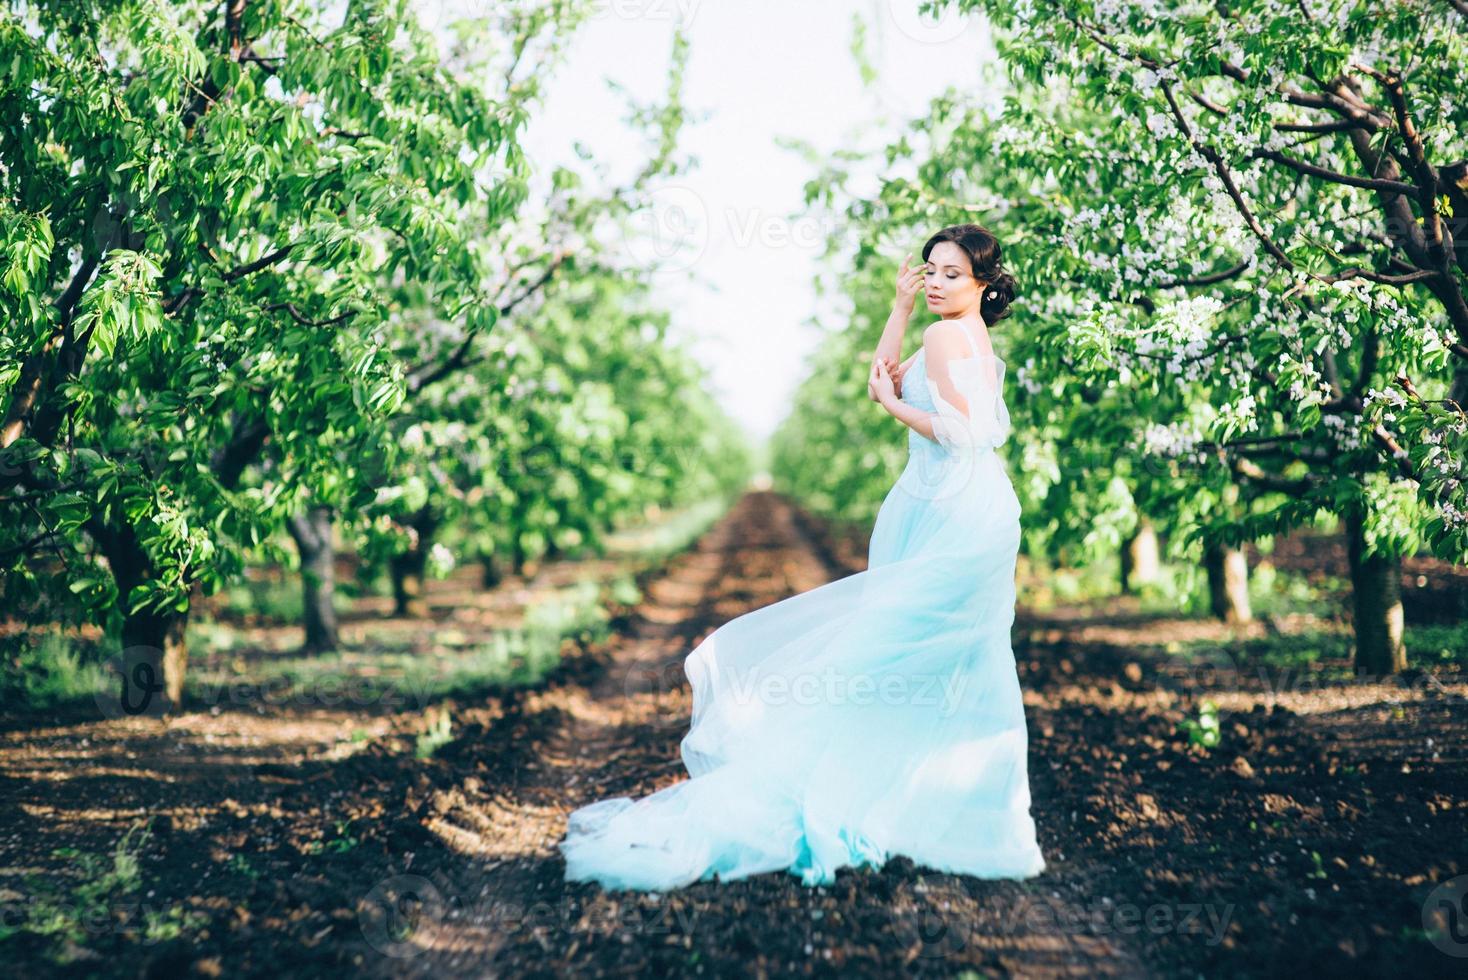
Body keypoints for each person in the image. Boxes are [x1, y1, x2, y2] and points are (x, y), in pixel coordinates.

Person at [558, 223, 1046, 891]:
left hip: (948, 505)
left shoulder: (945, 337)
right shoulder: (969, 339)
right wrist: (898, 316)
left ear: (983, 283)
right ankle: (958, 819)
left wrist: (892, 407)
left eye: (951, 274)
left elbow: (957, 431)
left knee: (886, 651)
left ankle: (868, 796)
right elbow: (888, 376)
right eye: (929, 270)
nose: (935, 281)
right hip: (970, 506)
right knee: (957, 657)